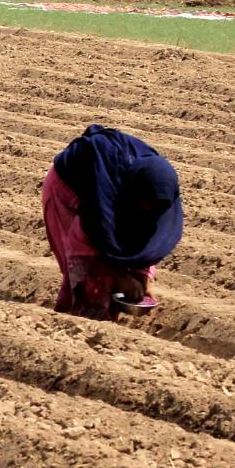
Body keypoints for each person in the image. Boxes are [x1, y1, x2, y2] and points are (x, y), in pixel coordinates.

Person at [42, 124, 184, 321]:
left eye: (153, 206)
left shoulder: (158, 198)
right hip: (68, 187)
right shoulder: (106, 201)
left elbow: (148, 242)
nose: (147, 209)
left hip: (119, 189)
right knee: (86, 277)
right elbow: (83, 243)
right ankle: (81, 317)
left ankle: (102, 314)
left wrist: (144, 279)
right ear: (136, 192)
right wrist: (119, 275)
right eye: (145, 203)